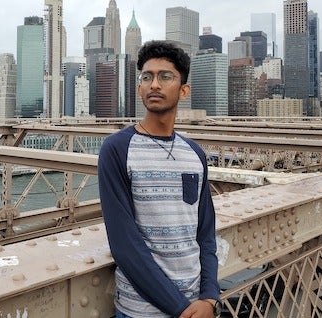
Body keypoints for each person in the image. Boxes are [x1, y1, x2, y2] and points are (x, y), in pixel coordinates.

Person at [98, 40, 221, 318]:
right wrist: (182, 309)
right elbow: (124, 244)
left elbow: (205, 234)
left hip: (196, 305)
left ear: (184, 90)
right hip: (140, 311)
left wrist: (210, 297)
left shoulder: (195, 154)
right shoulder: (116, 149)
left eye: (165, 76)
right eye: (147, 77)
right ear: (139, 87)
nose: (154, 84)